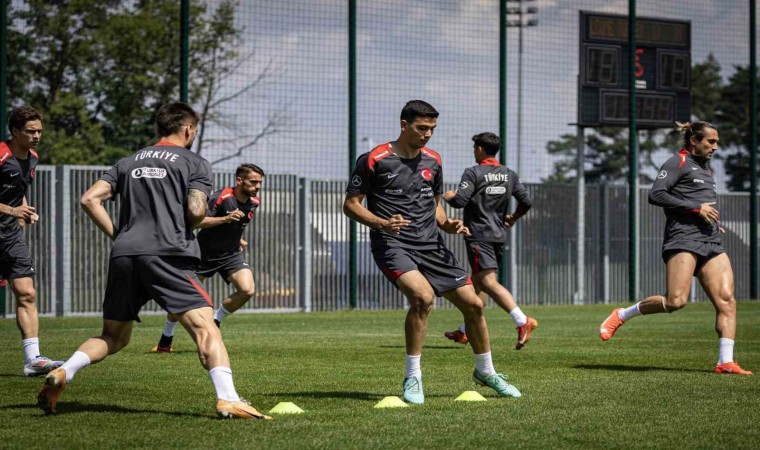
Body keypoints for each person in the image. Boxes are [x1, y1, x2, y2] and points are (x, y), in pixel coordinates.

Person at [36, 102, 272, 419]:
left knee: (113, 337)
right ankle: (228, 399)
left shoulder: (128, 161)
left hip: (125, 253)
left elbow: (89, 199)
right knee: (207, 331)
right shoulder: (194, 162)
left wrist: (119, 236)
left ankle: (65, 370)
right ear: (187, 129)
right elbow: (196, 212)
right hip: (168, 254)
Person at [343, 100, 522, 404]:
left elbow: (435, 204)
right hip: (393, 243)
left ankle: (486, 372)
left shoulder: (433, 160)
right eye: (421, 128)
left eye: (432, 129)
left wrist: (446, 223)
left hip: (432, 245)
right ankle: (413, 376)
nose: (427, 134)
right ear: (404, 125)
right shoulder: (374, 159)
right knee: (423, 298)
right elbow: (351, 205)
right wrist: (383, 223)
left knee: (474, 305)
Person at [599, 121, 752, 375]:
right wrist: (696, 208)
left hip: (710, 240)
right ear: (694, 140)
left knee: (727, 301)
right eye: (711, 141)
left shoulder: (706, 170)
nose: (715, 147)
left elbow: (701, 204)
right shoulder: (677, 162)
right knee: (675, 301)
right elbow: (656, 194)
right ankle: (623, 314)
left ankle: (725, 361)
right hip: (682, 239)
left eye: (716, 142)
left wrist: (712, 221)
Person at [152, 163, 264, 352]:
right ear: (239, 180)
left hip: (231, 255)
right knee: (182, 297)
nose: (258, 186)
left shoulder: (254, 202)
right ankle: (165, 340)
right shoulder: (221, 197)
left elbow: (236, 225)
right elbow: (197, 221)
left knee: (247, 290)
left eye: (260, 182)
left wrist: (238, 238)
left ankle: (216, 320)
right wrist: (224, 219)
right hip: (202, 255)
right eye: (253, 182)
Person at [442, 132, 537, 350]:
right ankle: (465, 331)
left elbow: (460, 201)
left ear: (479, 149)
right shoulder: (509, 174)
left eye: (474, 148)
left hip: (479, 235)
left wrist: (449, 197)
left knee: (487, 282)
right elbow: (526, 201)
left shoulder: (473, 172)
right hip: (497, 235)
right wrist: (513, 218)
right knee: (478, 282)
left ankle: (522, 321)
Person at [0, 105, 63, 376]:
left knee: (27, 293)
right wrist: (12, 210)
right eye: (30, 131)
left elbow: (18, 190)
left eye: (39, 131)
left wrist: (24, 211)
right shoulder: (1, 155)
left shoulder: (33, 158)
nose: (36, 136)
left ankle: (33, 359)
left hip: (10, 236)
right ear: (15, 131)